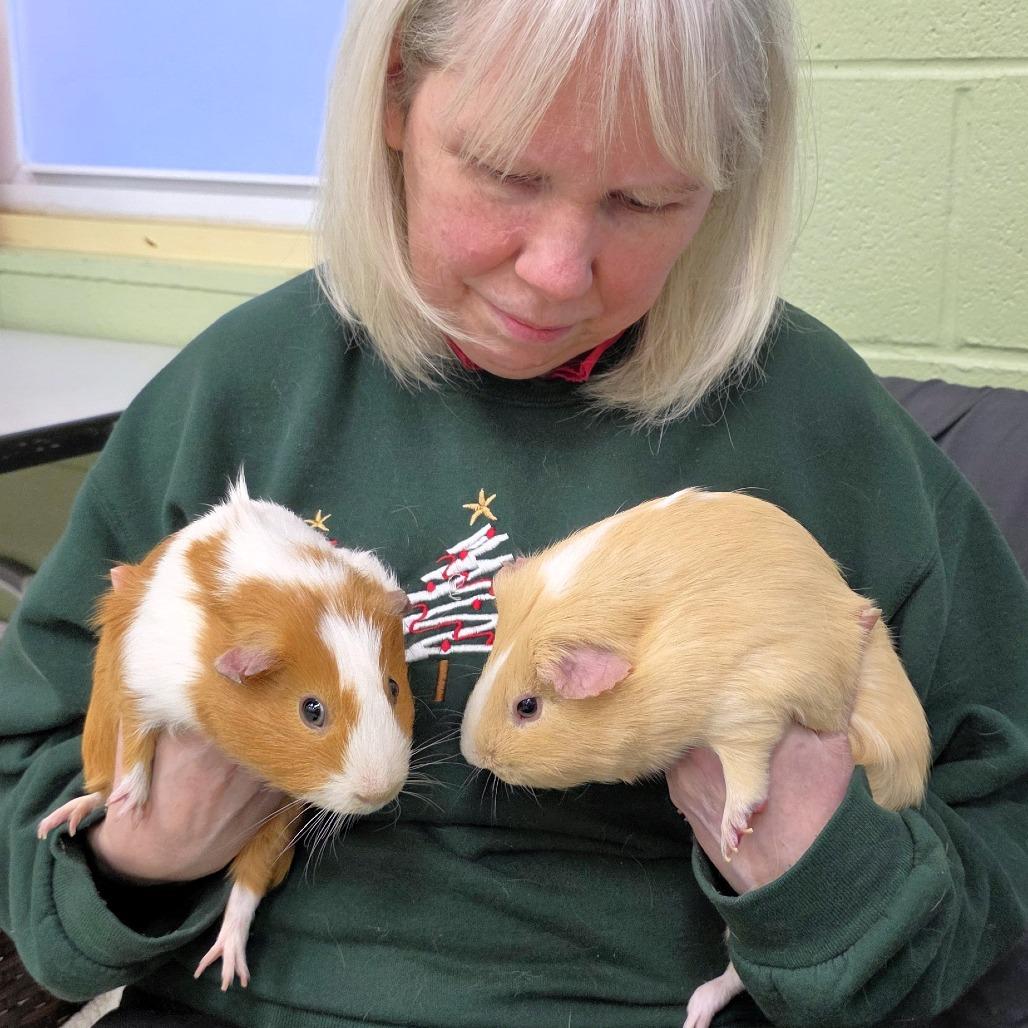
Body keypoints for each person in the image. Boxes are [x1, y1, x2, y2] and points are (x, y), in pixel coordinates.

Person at [2, 0, 1026, 1025]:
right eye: (504, 173)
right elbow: (30, 787)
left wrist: (824, 876)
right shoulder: (235, 385)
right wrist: (142, 851)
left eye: (644, 200)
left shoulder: (822, 423)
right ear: (395, 96)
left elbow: (1000, 823)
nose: (556, 271)